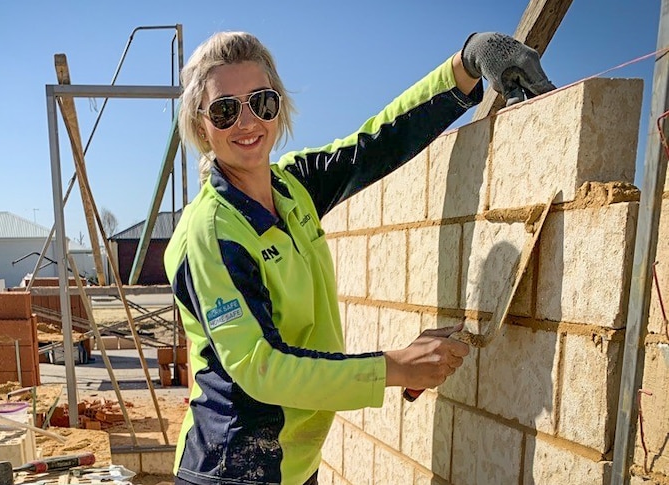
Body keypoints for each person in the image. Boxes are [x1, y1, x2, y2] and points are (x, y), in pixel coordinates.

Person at [163, 31, 555, 485]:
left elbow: (376, 142)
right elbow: (261, 367)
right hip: (234, 468)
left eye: (262, 102)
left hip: (294, 463)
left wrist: (466, 63)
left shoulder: (293, 186)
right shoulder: (212, 234)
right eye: (225, 110)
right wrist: (396, 366)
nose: (248, 122)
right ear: (201, 125)